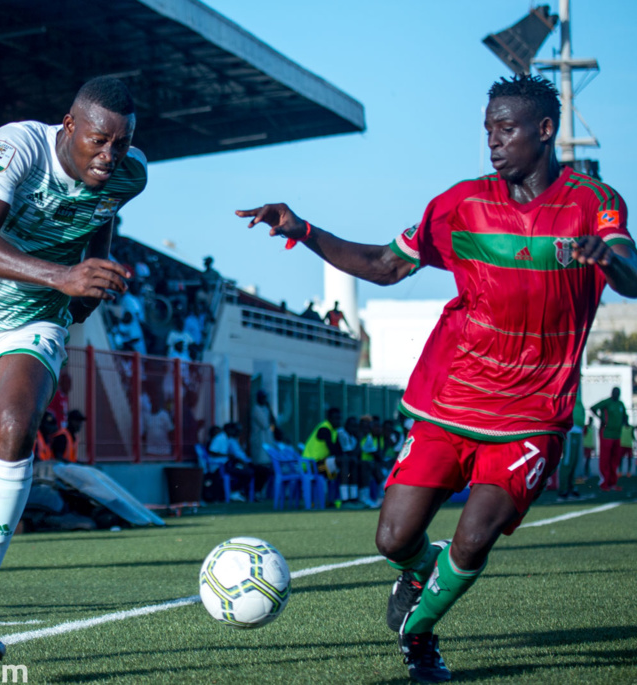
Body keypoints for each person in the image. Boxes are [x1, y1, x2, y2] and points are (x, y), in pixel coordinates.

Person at [236, 73, 636, 682]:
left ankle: (419, 637)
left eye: (506, 129)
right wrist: (304, 230)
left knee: (474, 539)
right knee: (393, 539)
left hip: (532, 413)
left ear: (545, 130)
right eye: (488, 130)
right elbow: (384, 265)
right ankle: (419, 571)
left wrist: (610, 259)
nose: (493, 141)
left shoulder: (594, 202)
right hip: (451, 399)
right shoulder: (460, 204)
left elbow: (630, 270)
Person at [0, 77, 146, 658]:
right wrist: (63, 275)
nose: (110, 156)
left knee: (16, 432)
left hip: (33, 322)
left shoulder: (131, 174)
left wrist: (95, 272)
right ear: (69, 125)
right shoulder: (16, 146)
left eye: (121, 144)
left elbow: (100, 215)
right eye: (98, 141)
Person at [591, 387, 629, 492]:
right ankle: (604, 483)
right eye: (615, 392)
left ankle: (613, 482)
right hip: (606, 434)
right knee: (605, 459)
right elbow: (593, 408)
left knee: (615, 460)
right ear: (612, 393)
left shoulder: (620, 404)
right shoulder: (606, 402)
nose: (616, 394)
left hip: (617, 435)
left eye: (618, 393)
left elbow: (625, 415)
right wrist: (601, 419)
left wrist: (626, 422)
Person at [558, 389, 586, 501]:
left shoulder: (576, 392)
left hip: (578, 430)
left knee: (574, 461)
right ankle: (563, 489)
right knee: (568, 460)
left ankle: (571, 487)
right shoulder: (566, 390)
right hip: (570, 429)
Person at [301, 407, 342, 483]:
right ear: (329, 419)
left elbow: (338, 450)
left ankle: (345, 487)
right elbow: (333, 450)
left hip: (320, 464)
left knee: (346, 463)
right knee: (339, 463)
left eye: (339, 419)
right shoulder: (324, 429)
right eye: (336, 419)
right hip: (311, 466)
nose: (338, 421)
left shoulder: (334, 431)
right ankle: (342, 489)